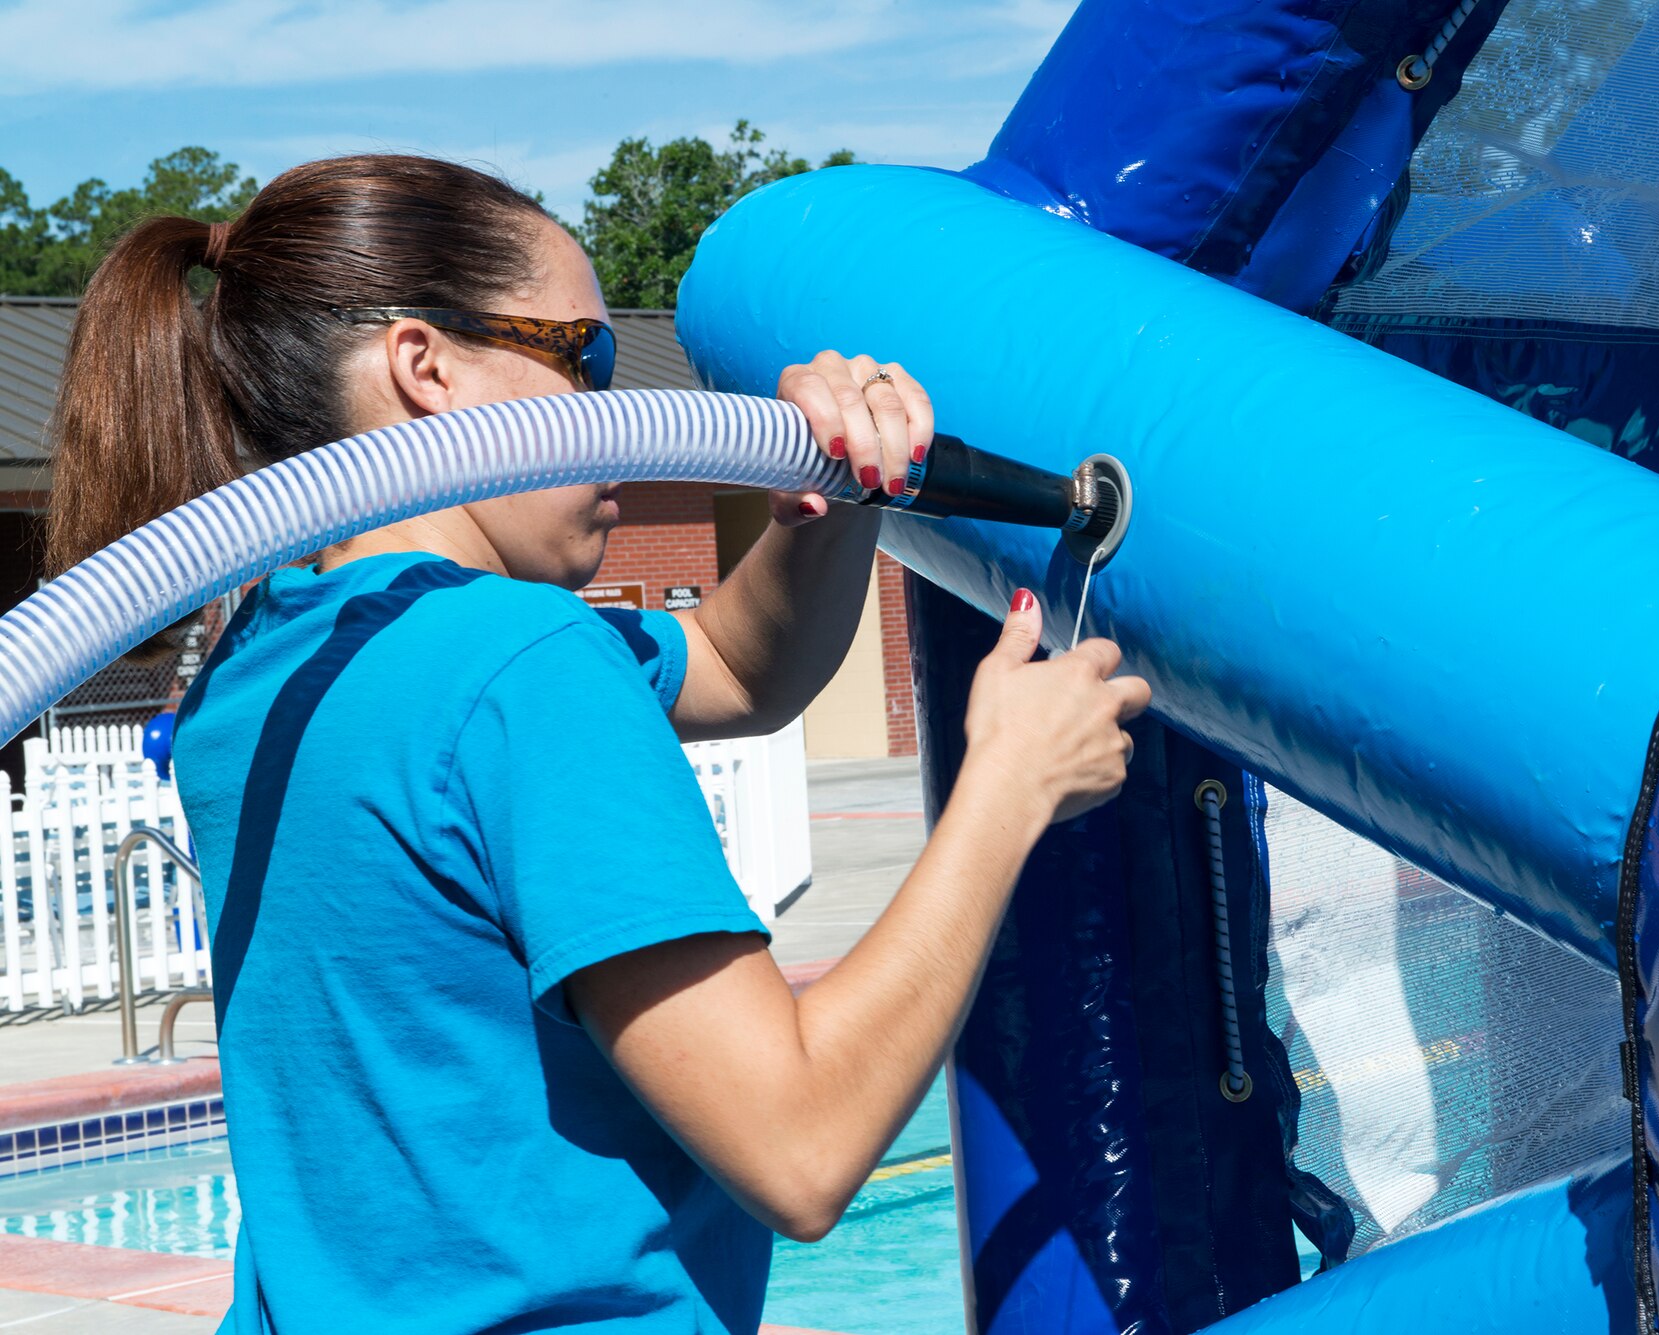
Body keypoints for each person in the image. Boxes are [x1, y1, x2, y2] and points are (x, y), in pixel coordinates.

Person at [44, 154, 1151, 1335]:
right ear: (424, 367)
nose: (612, 416)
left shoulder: (270, 657)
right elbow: (802, 1145)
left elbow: (734, 667)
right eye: (587, 358)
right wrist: (1005, 788)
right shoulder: (518, 663)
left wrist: (837, 497)